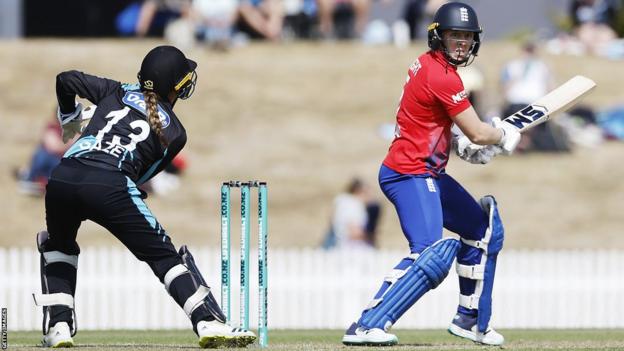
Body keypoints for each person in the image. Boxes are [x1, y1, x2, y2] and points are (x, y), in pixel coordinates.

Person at [32, 45, 255, 348]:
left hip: (63, 176)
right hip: (110, 183)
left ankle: (58, 327)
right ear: (179, 86)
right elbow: (139, 178)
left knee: (59, 246)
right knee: (163, 256)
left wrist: (70, 119)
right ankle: (206, 322)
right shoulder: (175, 132)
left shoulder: (116, 91)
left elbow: (65, 79)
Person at [342, 2, 521, 347]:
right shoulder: (441, 75)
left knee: (482, 231)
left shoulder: (432, 67)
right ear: (438, 36)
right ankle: (366, 325)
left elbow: (432, 120)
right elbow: (481, 133)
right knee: (429, 254)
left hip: (428, 171)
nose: (462, 43)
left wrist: (461, 142)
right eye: (455, 35)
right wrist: (500, 136)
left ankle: (469, 319)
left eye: (467, 37)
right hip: (409, 172)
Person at [14, 114, 77, 196]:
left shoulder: (76, 130)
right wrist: (70, 143)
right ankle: (30, 179)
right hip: (50, 161)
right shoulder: (52, 127)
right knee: (42, 154)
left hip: (61, 165)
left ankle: (29, 177)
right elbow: (53, 146)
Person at [321, 178, 381, 250]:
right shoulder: (353, 205)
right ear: (359, 191)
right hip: (352, 250)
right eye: (367, 192)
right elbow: (354, 233)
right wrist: (371, 235)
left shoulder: (343, 203)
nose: (370, 196)